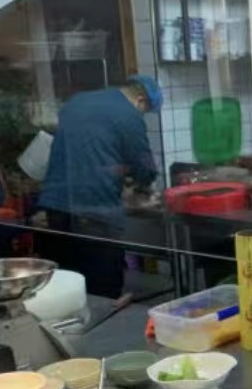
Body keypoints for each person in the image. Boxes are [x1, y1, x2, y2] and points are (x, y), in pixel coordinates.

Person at [39, 75, 162, 298]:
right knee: (102, 283)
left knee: (67, 281)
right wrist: (144, 186)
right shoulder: (128, 113)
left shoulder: (77, 101)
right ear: (140, 100)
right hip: (94, 208)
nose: (142, 114)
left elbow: (89, 148)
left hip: (56, 205)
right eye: (145, 111)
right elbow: (143, 164)